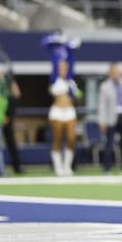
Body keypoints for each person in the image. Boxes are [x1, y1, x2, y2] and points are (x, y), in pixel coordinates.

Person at [43, 34, 81, 177]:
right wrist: (57, 47)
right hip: (57, 111)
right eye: (61, 68)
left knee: (71, 139)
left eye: (65, 68)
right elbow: (54, 64)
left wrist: (70, 49)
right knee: (58, 140)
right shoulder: (54, 80)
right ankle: (58, 167)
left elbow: (77, 96)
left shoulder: (71, 82)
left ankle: (67, 166)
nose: (63, 70)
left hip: (69, 111)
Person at [98, 62, 122, 173]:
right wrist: (102, 121)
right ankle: (107, 168)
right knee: (109, 144)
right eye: (114, 72)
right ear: (110, 73)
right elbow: (102, 105)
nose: (116, 74)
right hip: (111, 118)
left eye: (117, 72)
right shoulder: (105, 86)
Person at [2, 76, 24, 174]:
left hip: (7, 121)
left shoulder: (10, 95)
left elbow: (17, 94)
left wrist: (11, 81)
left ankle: (17, 168)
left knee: (12, 145)